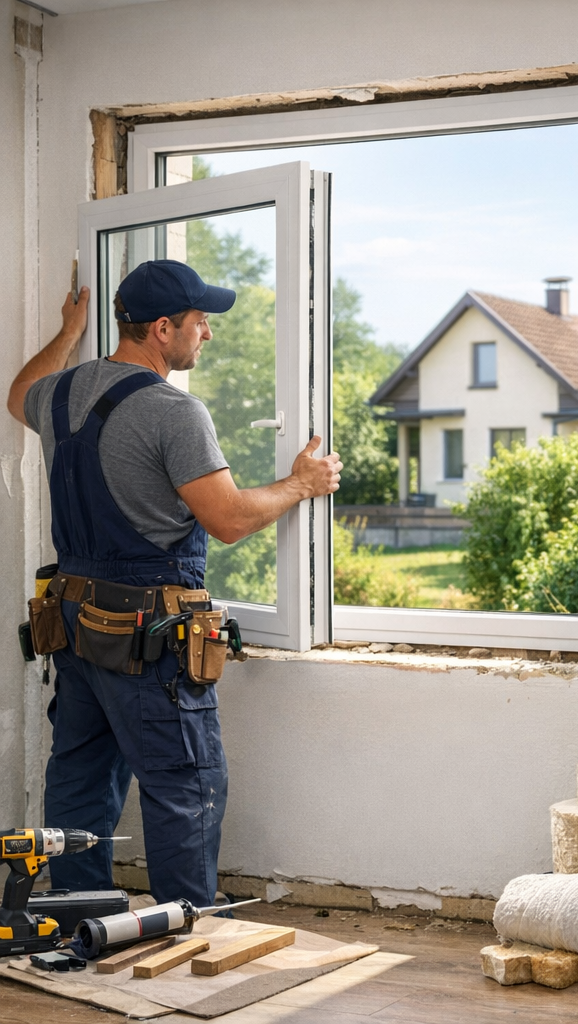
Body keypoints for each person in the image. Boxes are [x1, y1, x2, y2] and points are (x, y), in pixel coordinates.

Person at [6, 260, 341, 906]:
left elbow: (19, 388)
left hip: (74, 629)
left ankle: (78, 921)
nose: (206, 335)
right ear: (162, 329)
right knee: (185, 785)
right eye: (199, 322)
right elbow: (229, 520)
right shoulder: (173, 412)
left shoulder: (60, 395)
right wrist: (302, 483)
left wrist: (69, 335)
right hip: (146, 639)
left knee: (78, 776)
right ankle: (188, 936)